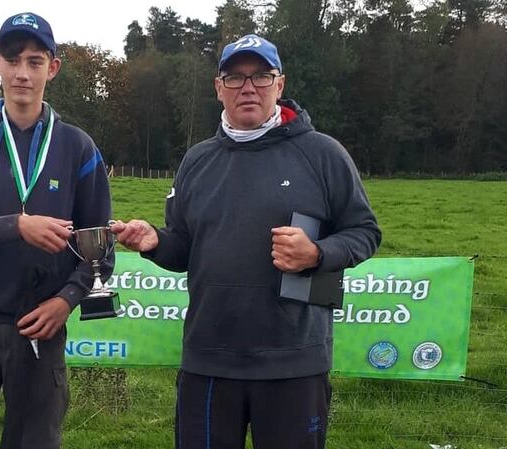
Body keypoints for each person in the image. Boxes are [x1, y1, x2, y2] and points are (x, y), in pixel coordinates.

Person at [111, 34, 381, 449]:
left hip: (293, 362)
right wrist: (154, 242)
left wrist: (317, 253)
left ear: (280, 84)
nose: (249, 87)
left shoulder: (322, 153)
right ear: (219, 88)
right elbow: (184, 247)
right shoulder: (197, 160)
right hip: (208, 360)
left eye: (261, 76)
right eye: (235, 78)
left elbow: (365, 232)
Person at [0, 12, 112, 449]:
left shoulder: (77, 147)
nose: (22, 73)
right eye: (13, 60)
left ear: (53, 67)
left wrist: (65, 302)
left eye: (34, 61)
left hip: (41, 328)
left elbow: (99, 245)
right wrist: (15, 226)